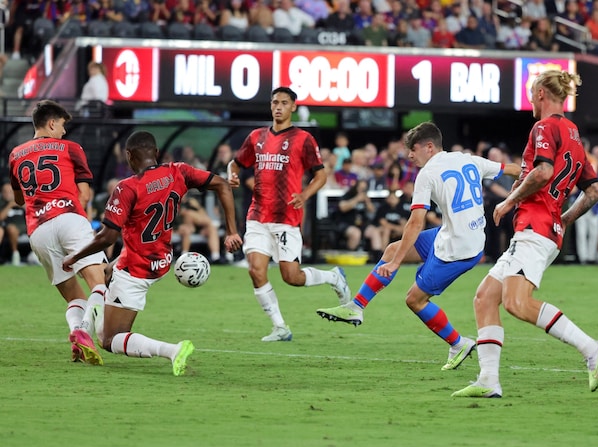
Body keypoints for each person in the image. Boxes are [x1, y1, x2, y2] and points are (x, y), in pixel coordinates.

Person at [452, 70, 598, 398]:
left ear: (540, 94)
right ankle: (488, 379)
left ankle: (592, 348)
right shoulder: (574, 135)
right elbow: (594, 191)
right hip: (542, 228)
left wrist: (510, 199)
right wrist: (563, 218)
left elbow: (543, 172)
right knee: (484, 298)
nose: (530, 102)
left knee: (517, 303)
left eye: (531, 94)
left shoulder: (544, 127)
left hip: (534, 227)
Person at [316, 122, 521, 370]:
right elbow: (510, 168)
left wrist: (395, 264)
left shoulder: (427, 174)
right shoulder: (467, 159)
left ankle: (459, 344)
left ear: (430, 147)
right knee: (392, 248)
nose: (409, 155)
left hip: (458, 250)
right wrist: (537, 178)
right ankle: (356, 307)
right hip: (462, 235)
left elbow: (415, 222)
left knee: (414, 299)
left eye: (413, 149)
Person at [62, 131, 243, 376]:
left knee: (109, 339)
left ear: (128, 156)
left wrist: (74, 257)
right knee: (105, 272)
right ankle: (84, 327)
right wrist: (231, 232)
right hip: (161, 261)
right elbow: (222, 184)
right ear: (156, 153)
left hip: (136, 269)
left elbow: (107, 237)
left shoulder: (127, 187)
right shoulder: (178, 171)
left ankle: (172, 350)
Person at [226, 86, 351, 342]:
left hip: (287, 218)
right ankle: (280, 327)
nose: (278, 107)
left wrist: (304, 196)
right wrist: (232, 174)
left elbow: (321, 174)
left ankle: (333, 277)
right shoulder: (256, 137)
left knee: (291, 277)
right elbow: (235, 163)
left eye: (284, 102)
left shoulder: (303, 139)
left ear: (293, 107)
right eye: (274, 102)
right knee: (255, 270)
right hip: (258, 216)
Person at [7, 99, 107, 364]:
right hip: (69, 218)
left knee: (74, 295)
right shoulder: (71, 148)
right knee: (99, 284)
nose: (64, 132)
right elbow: (84, 194)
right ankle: (84, 332)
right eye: (62, 125)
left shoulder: (16, 154)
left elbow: (19, 199)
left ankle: (77, 337)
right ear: (51, 123)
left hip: (38, 232)